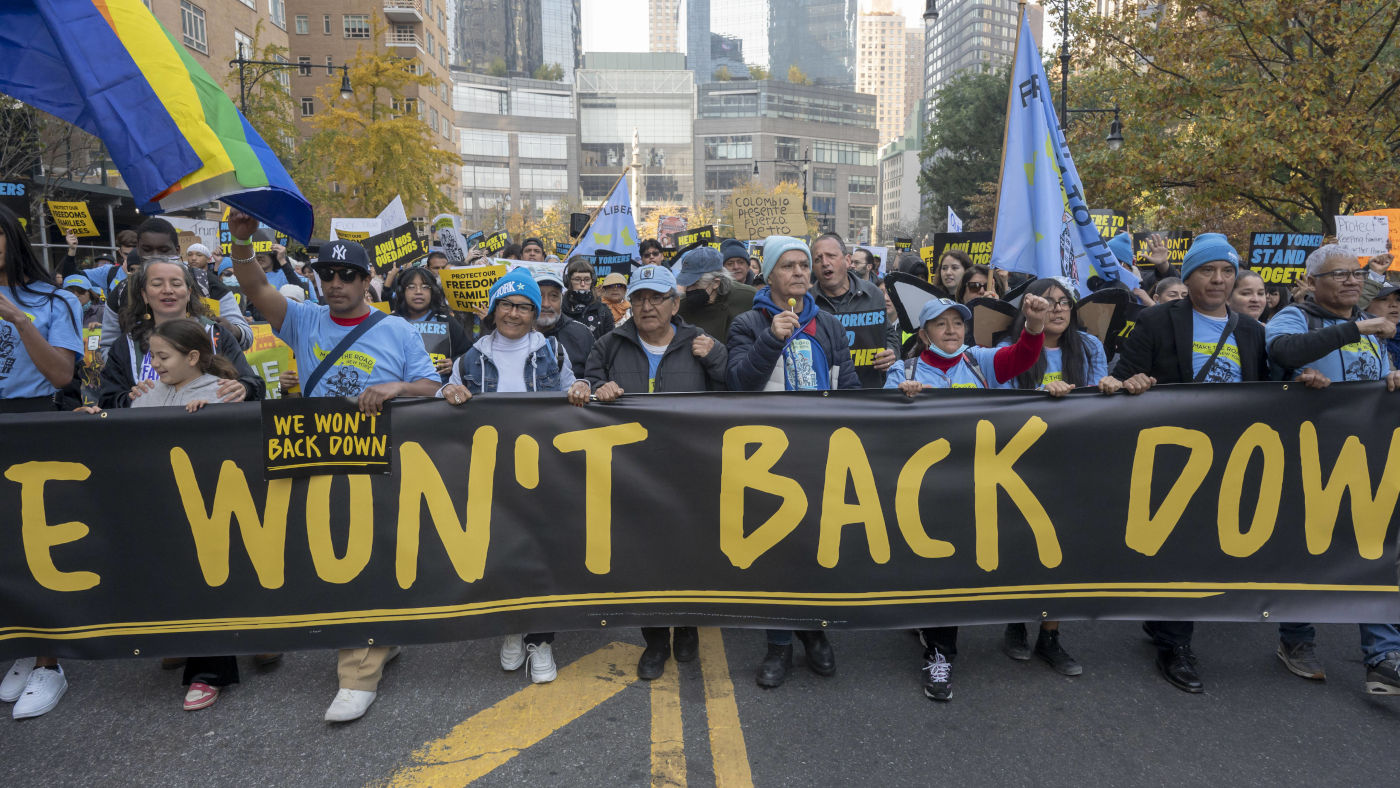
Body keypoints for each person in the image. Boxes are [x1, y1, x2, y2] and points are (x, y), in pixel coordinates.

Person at [226, 211, 441, 723]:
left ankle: (358, 672)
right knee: (336, 559)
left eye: (348, 275)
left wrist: (397, 387)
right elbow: (254, 284)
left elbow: (431, 387)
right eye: (328, 275)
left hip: (377, 465)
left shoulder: (396, 331)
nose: (337, 283)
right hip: (316, 463)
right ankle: (379, 641)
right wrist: (241, 242)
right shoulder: (302, 319)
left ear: (368, 281)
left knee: (361, 557)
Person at [1100, 233, 1327, 694]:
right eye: (1208, 271)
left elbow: (1269, 385)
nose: (1219, 280)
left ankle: (1164, 624)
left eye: (1226, 271)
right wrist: (1132, 382)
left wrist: (1305, 379)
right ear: (1189, 276)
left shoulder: (1251, 330)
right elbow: (1118, 378)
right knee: (1182, 546)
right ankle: (1174, 644)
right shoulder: (1158, 319)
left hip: (1230, 456)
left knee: (1202, 546)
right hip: (1171, 455)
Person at [886, 292, 1051, 700]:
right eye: (940, 324)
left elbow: (1021, 359)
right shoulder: (903, 370)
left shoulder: (980, 361)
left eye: (957, 323)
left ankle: (939, 644)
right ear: (924, 334)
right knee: (932, 567)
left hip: (978, 487)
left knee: (957, 570)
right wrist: (898, 400)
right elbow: (880, 426)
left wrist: (1033, 326)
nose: (951, 330)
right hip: (924, 491)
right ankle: (935, 642)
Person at [439, 269, 589, 686]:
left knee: (541, 555)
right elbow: (445, 400)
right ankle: (509, 627)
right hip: (489, 474)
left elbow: (573, 391)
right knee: (498, 554)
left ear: (535, 313)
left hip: (542, 472)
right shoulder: (469, 358)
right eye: (507, 304)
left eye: (524, 306)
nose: (514, 313)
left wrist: (579, 387)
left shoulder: (553, 352)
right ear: (493, 309)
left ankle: (540, 640)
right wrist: (446, 393)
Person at [1262, 244, 1400, 695]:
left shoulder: (1371, 326)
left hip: (1366, 458)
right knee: (1306, 549)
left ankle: (1382, 656)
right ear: (1313, 282)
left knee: (1371, 548)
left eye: (1356, 274)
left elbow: (1373, 372)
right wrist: (1357, 328)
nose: (1351, 281)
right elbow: (1283, 350)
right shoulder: (1296, 318)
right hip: (1307, 456)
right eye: (1338, 275)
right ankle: (1296, 640)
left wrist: (1392, 377)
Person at [578, 264, 726, 679]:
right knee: (643, 558)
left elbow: (730, 391)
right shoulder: (609, 344)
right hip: (631, 474)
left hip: (689, 471)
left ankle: (688, 626)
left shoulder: (699, 342)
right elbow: (585, 390)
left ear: (674, 304)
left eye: (656, 298)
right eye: (640, 297)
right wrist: (596, 390)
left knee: (690, 554)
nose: (646, 306)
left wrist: (714, 355)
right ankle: (656, 639)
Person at [725, 235, 858, 688]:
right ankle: (778, 645)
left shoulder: (829, 325)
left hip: (820, 455)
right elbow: (740, 384)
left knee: (819, 550)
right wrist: (771, 339)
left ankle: (815, 633)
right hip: (767, 460)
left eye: (805, 264)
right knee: (776, 554)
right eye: (790, 265)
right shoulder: (747, 322)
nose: (801, 272)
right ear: (770, 274)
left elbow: (850, 388)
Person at [128, 318, 257, 709]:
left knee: (211, 582)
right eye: (152, 356)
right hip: (164, 506)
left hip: (211, 508)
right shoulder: (148, 396)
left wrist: (209, 416)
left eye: (163, 356)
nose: (156, 363)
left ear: (194, 357)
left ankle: (210, 673)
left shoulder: (221, 393)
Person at [997, 279, 1105, 677]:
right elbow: (1001, 398)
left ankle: (1050, 635)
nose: (1058, 309)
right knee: (1021, 545)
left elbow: (1097, 399)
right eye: (1049, 303)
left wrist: (1107, 388)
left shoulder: (1090, 347)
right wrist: (1043, 395)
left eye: (1064, 303)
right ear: (1031, 309)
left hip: (1071, 462)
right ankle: (1015, 623)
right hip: (1022, 461)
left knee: (1062, 550)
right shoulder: (1013, 352)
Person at [0, 205, 84, 720]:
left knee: (38, 543)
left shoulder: (56, 299)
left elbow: (59, 375)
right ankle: (19, 642)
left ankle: (49, 661)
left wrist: (17, 318)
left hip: (32, 422)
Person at [98, 258, 262, 408]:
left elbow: (253, 384)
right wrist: (132, 397)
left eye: (176, 284)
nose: (168, 290)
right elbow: (108, 399)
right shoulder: (127, 344)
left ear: (189, 292)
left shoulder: (216, 334)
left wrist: (244, 388)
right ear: (144, 295)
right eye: (157, 284)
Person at [810, 233, 899, 388]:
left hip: (868, 394)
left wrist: (891, 352)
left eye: (831, 256)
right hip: (824, 397)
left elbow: (888, 333)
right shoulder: (806, 303)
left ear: (847, 260)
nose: (825, 263)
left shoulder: (873, 294)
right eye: (818, 259)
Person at [391, 266, 472, 383]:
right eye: (411, 287)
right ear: (401, 291)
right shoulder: (390, 322)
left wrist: (454, 363)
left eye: (425, 287)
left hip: (439, 395)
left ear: (432, 291)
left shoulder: (446, 321)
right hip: (398, 395)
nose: (418, 292)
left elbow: (469, 354)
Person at [676, 246, 757, 344]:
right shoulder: (680, 307)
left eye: (695, 284)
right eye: (687, 284)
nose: (689, 290)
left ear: (716, 283)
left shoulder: (748, 298)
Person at [535, 269, 595, 381]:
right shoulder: (514, 333)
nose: (546, 304)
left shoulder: (582, 334)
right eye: (539, 295)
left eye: (554, 296)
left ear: (561, 299)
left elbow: (595, 377)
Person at [562, 257, 616, 337]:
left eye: (587, 279)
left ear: (592, 281)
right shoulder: (559, 310)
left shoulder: (603, 311)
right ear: (568, 281)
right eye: (577, 279)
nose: (583, 284)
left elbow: (611, 343)